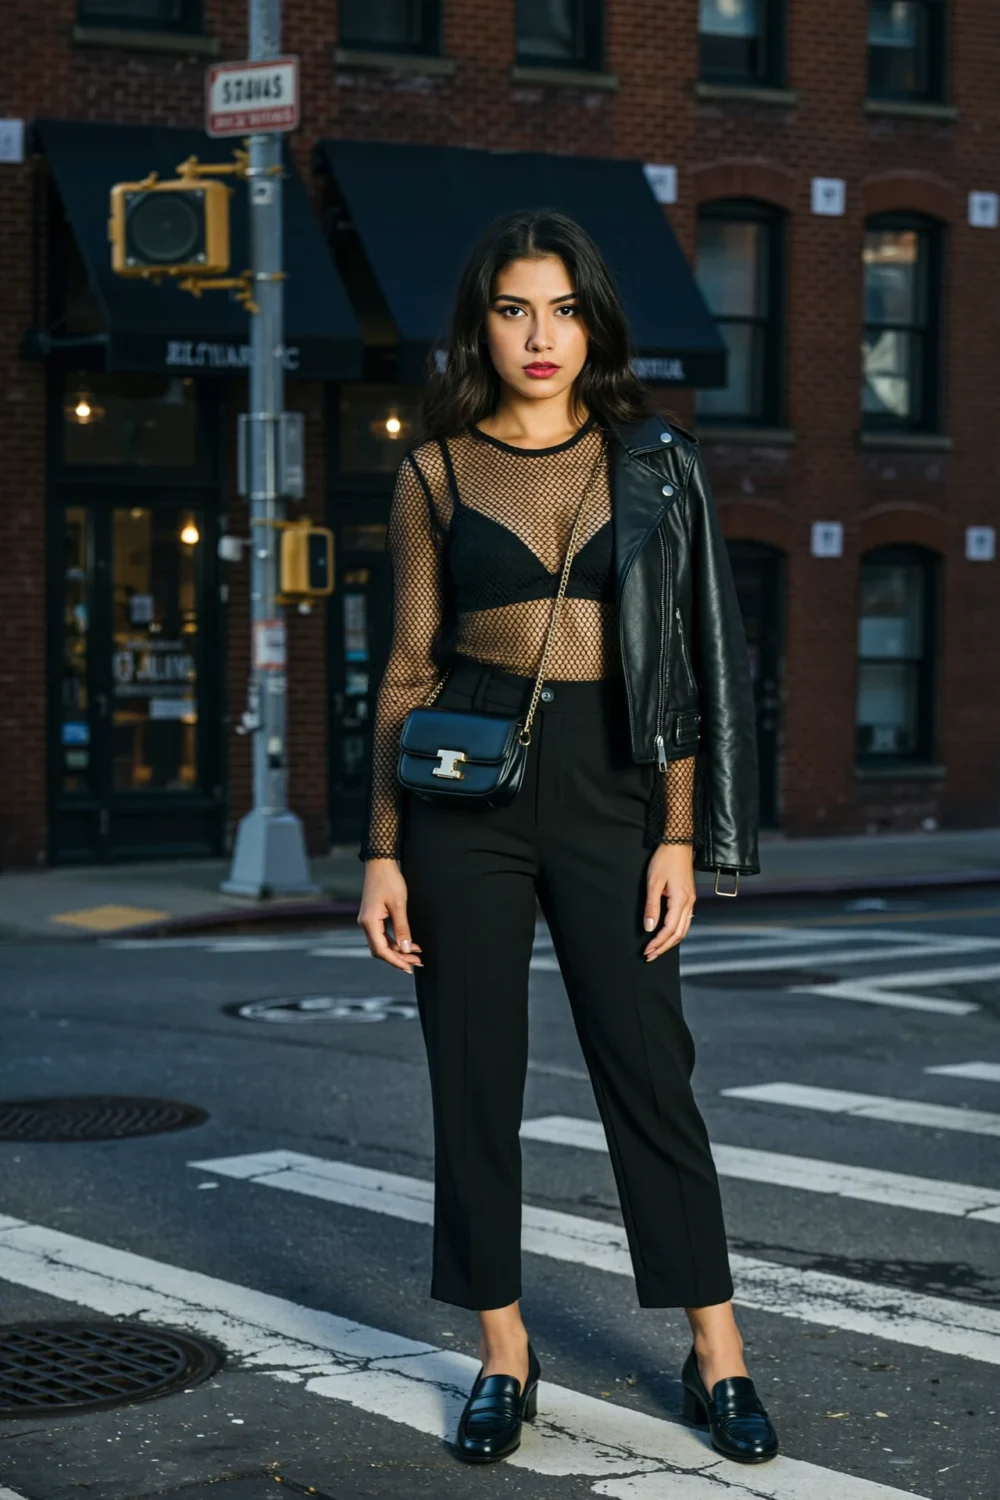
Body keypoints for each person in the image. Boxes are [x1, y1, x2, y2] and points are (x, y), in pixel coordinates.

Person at [357, 208, 777, 1467]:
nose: (539, 337)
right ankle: (502, 1350)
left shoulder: (656, 463)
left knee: (648, 1068)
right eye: (511, 309)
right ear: (478, 324)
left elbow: (697, 663)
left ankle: (719, 1349)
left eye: (562, 309)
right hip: (462, 786)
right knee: (472, 1074)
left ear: (592, 320)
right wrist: (381, 848)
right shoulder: (432, 470)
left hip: (615, 779)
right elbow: (404, 668)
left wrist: (677, 832)